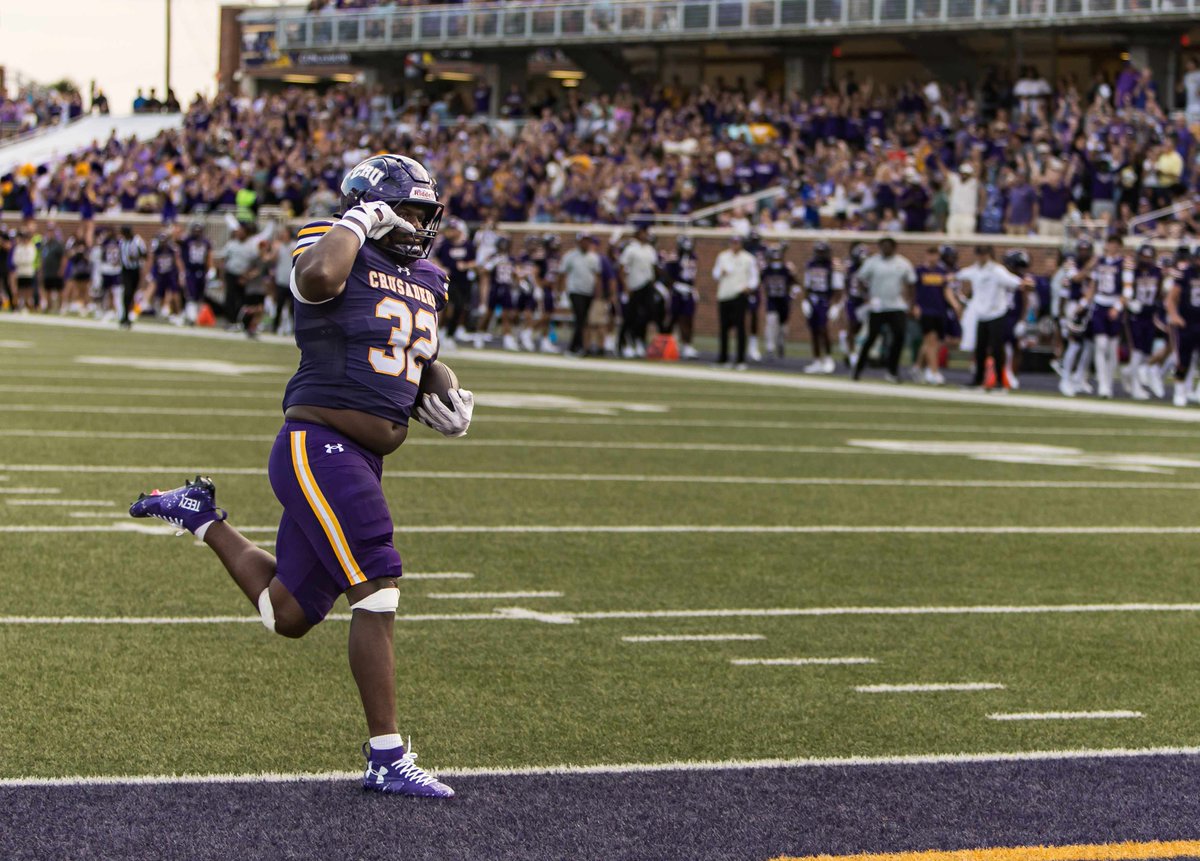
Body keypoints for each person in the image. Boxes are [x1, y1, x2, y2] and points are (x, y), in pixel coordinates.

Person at [129, 153, 470, 797]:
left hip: (362, 456)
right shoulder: (329, 242)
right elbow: (317, 283)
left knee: (286, 613)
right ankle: (386, 756)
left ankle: (201, 516)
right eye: (411, 209)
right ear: (372, 206)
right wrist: (357, 222)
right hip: (320, 444)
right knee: (378, 583)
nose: (422, 222)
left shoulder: (427, 275)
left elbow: (411, 351)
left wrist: (444, 391)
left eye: (428, 211)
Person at [955, 245, 1030, 391]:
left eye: (983, 254)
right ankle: (978, 380)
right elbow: (960, 274)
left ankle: (1001, 383)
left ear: (989, 255)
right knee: (980, 349)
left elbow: (1012, 280)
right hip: (981, 314)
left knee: (997, 349)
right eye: (979, 254)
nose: (981, 257)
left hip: (996, 314)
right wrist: (950, 277)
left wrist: (1022, 283)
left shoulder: (996, 270)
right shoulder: (975, 270)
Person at [851, 236, 916, 382]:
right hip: (878, 306)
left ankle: (892, 371)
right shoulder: (872, 262)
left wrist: (911, 304)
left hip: (896, 306)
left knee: (899, 336)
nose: (885, 249)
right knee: (871, 338)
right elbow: (860, 278)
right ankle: (858, 369)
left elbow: (911, 283)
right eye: (883, 246)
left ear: (894, 247)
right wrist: (866, 296)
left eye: (888, 246)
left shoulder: (902, 263)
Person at [1083, 234, 1130, 399]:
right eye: (1110, 243)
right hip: (1100, 305)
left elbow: (1128, 289)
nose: (1112, 246)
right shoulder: (1099, 261)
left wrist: (1117, 307)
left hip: (1114, 304)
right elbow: (1092, 285)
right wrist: (1083, 304)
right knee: (1100, 345)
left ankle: (1108, 383)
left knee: (1112, 348)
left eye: (1115, 243)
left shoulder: (1124, 264)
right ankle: (1102, 383)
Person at [911, 245, 960, 385]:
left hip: (940, 310)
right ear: (926, 255)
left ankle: (918, 366)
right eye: (930, 254)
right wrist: (914, 306)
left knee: (934, 342)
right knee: (930, 339)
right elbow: (913, 290)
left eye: (935, 255)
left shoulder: (942, 272)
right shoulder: (919, 271)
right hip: (925, 310)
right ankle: (934, 371)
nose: (933, 258)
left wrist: (955, 304)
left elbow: (946, 291)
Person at [712, 233, 758, 369]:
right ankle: (723, 358)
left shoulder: (748, 258)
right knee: (723, 328)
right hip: (724, 295)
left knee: (740, 328)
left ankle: (740, 360)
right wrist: (721, 272)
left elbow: (754, 277)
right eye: (733, 242)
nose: (735, 245)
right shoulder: (723, 256)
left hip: (739, 295)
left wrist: (748, 287)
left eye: (737, 242)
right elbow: (714, 274)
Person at [1126, 243, 1165, 400]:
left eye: (1149, 257)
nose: (1146, 260)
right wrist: (1130, 302)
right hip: (1136, 315)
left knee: (1145, 352)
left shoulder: (1157, 272)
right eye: (1144, 256)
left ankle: (1128, 374)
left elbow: (1159, 292)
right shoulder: (1132, 272)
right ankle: (1135, 385)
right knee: (1136, 351)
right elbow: (1126, 290)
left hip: (1149, 314)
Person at [617, 224, 659, 357]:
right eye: (644, 232)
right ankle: (624, 343)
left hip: (647, 285)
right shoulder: (631, 249)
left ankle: (639, 340)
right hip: (635, 285)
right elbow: (622, 268)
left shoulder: (650, 249)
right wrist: (626, 286)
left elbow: (653, 268)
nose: (646, 235)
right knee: (630, 316)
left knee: (648, 314)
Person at [1166, 248, 1200, 407]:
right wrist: (1174, 315)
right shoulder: (1185, 273)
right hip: (1186, 321)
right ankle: (1179, 391)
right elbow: (1171, 298)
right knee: (1182, 360)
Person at [433, 218, 475, 344]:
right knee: (446, 307)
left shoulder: (468, 245)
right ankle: (441, 331)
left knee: (460, 307)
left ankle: (450, 333)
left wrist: (465, 266)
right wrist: (442, 267)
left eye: (452, 229)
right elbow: (435, 258)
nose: (449, 232)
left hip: (462, 281)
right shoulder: (445, 244)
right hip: (447, 281)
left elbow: (475, 262)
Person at [560, 232, 602, 356]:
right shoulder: (570, 256)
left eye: (588, 241)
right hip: (575, 291)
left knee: (583, 320)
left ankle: (580, 347)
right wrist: (560, 291)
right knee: (580, 319)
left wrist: (598, 293)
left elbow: (597, 276)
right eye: (584, 240)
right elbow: (562, 274)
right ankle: (573, 347)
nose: (586, 243)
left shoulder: (593, 257)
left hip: (588, 292)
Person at [799, 242, 838, 372]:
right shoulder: (810, 265)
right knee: (814, 331)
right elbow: (807, 284)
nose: (820, 255)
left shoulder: (832, 266)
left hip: (825, 300)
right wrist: (805, 301)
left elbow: (838, 288)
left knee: (823, 330)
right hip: (813, 300)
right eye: (819, 252)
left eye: (823, 252)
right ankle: (816, 360)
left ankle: (828, 358)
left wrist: (835, 305)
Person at [664, 235, 700, 360]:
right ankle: (669, 344)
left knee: (688, 319)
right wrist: (675, 285)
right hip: (677, 291)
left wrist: (692, 288)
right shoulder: (674, 257)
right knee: (674, 318)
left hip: (688, 290)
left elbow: (691, 276)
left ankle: (687, 345)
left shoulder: (693, 257)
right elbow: (668, 275)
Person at [117, 225, 147, 328]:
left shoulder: (138, 241)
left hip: (135, 270)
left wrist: (135, 257)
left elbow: (145, 255)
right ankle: (125, 316)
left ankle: (128, 315)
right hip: (125, 270)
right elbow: (121, 254)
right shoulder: (122, 242)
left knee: (132, 293)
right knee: (127, 292)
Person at [40, 224, 65, 314]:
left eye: (51, 231)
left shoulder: (58, 245)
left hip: (56, 270)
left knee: (59, 289)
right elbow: (42, 258)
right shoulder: (45, 244)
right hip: (47, 271)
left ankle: (60, 307)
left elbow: (63, 258)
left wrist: (61, 270)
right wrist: (41, 270)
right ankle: (49, 307)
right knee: (48, 290)